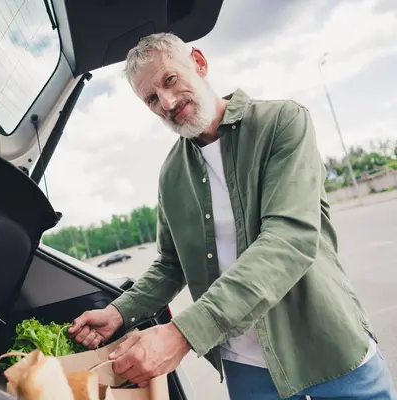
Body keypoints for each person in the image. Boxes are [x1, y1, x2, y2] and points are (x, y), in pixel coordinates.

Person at [68, 33, 397, 399]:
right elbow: (170, 265)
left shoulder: (282, 123)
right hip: (247, 373)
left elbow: (288, 239)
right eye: (151, 99)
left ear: (199, 62)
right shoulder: (171, 175)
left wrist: (184, 333)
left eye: (170, 80)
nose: (167, 102)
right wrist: (119, 311)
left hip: (328, 355)